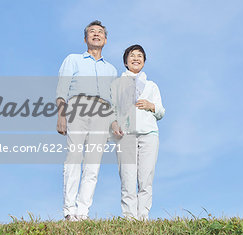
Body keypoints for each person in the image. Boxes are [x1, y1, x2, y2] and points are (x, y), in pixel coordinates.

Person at [56, 20, 117, 221]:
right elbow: (62, 89)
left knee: (93, 163)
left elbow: (113, 99)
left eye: (100, 32)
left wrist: (114, 122)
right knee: (74, 157)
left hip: (102, 111)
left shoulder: (111, 69)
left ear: (105, 40)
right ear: (85, 39)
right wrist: (61, 115)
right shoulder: (73, 59)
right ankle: (69, 210)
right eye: (92, 32)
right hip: (77, 106)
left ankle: (82, 213)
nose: (96, 34)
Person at [111, 44, 165, 221]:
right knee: (127, 176)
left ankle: (143, 217)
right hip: (125, 135)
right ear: (126, 62)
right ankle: (129, 217)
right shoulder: (117, 84)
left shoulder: (152, 86)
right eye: (132, 55)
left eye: (140, 55)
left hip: (149, 134)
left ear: (144, 61)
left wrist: (151, 106)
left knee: (145, 177)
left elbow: (161, 112)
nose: (136, 58)